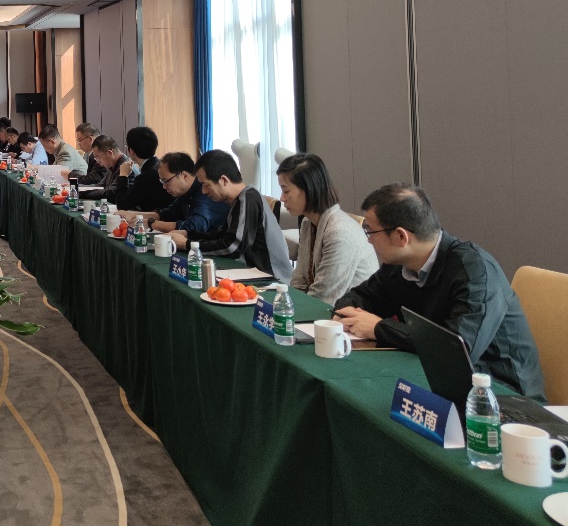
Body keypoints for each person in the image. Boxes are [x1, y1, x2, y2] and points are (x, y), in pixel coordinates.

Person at [333, 184, 544, 398]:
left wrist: (380, 328)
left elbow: (456, 348)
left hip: (498, 395)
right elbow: (360, 297)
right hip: (432, 376)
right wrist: (348, 313)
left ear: (400, 236)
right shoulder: (398, 265)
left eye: (370, 231)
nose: (368, 239)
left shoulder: (474, 271)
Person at [170, 150, 292, 282]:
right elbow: (222, 235)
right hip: (251, 272)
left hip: (272, 279)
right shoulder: (237, 200)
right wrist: (188, 234)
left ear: (223, 180)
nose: (203, 191)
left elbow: (232, 246)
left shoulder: (248, 199)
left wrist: (188, 245)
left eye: (205, 185)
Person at [277, 154, 378, 305]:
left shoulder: (340, 233)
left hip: (350, 312)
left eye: (286, 191)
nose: (282, 198)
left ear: (309, 189)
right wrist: (290, 303)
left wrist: (291, 307)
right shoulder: (307, 222)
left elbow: (324, 297)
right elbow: (300, 278)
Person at [138, 152, 229, 235]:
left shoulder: (205, 192)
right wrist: (137, 216)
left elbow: (194, 227)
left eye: (166, 181)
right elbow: (169, 214)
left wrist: (152, 224)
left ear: (184, 176)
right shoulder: (187, 192)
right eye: (162, 182)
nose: (164, 187)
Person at [110, 127, 171, 212]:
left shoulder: (146, 176)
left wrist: (123, 175)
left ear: (131, 151)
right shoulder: (159, 165)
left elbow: (122, 205)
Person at [83, 135, 131, 199]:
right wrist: (78, 189)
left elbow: (111, 193)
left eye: (97, 157)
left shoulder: (126, 167)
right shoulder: (112, 164)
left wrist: (85, 194)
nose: (97, 161)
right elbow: (100, 186)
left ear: (109, 153)